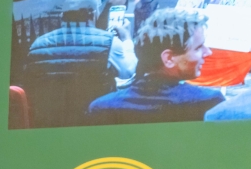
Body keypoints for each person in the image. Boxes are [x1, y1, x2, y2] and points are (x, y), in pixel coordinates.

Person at [89, 9, 224, 124]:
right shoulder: (209, 103)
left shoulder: (102, 108)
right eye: (199, 48)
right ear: (169, 58)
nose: (208, 52)